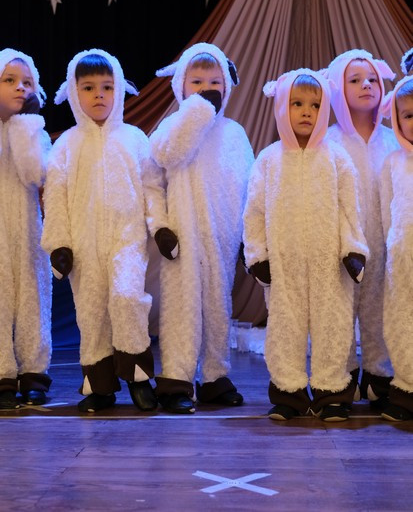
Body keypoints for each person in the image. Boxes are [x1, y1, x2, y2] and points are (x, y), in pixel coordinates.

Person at [41, 49, 168, 413]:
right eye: (88, 87)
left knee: (128, 299)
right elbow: (56, 199)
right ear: (73, 92)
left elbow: (152, 188)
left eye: (107, 87)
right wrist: (59, 245)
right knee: (91, 313)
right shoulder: (66, 145)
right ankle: (99, 386)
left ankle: (139, 379)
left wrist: (160, 227)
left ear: (119, 90)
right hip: (83, 247)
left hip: (127, 240)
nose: (99, 95)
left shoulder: (134, 139)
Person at [243, 69, 368, 422]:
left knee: (334, 327)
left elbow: (350, 209)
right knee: (285, 329)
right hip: (284, 265)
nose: (306, 112)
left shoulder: (336, 158)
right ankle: (289, 393)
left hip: (330, 264)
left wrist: (353, 249)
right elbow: (253, 212)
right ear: (282, 106)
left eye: (315, 105)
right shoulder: (268, 159)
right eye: (297, 104)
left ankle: (332, 392)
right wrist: (257, 255)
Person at [150, 42, 254, 414]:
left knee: (217, 306)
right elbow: (162, 160)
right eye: (196, 82)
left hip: (222, 236)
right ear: (180, 84)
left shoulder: (235, 134)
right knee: (182, 307)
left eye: (214, 82)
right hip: (182, 235)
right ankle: (176, 378)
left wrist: (247, 240)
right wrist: (160, 226)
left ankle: (214, 376)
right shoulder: (172, 127)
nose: (206, 89)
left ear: (227, 86)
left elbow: (249, 187)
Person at [326, 49, 398, 408]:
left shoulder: (393, 140)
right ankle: (340, 376)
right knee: (340, 312)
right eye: (355, 80)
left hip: (385, 246)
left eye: (372, 79)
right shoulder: (329, 142)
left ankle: (377, 373)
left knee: (379, 311)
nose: (366, 85)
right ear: (339, 90)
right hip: (342, 248)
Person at [0, 48, 52, 410]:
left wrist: (26, 125)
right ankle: (3, 374)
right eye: (10, 80)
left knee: (34, 300)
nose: (21, 88)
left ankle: (34, 373)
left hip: (28, 232)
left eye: (28, 82)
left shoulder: (36, 132)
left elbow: (35, 174)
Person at [379, 77, 413, 421]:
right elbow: (387, 212)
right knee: (401, 319)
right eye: (409, 115)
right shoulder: (392, 163)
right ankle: (406, 385)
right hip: (402, 259)